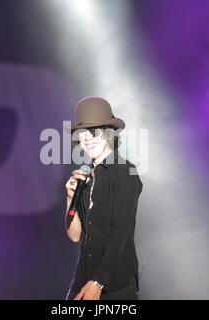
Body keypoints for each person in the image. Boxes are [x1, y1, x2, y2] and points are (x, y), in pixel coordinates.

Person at [65, 97, 142, 300]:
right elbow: (74, 236)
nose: (89, 138)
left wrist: (98, 282)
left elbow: (121, 234)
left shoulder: (126, 172)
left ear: (109, 133)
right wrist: (69, 197)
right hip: (82, 281)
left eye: (95, 130)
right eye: (83, 132)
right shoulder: (85, 176)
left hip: (115, 287)